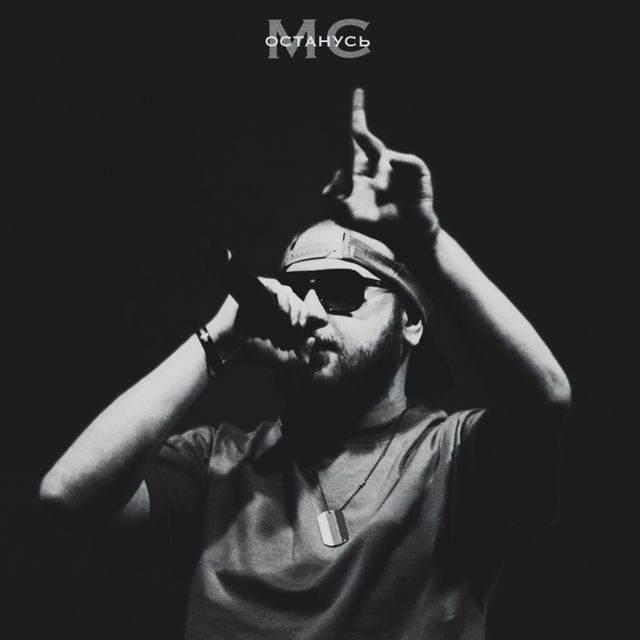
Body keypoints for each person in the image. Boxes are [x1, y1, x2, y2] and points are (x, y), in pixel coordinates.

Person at [39, 89, 571, 639]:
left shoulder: (455, 458)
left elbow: (544, 398)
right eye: (297, 290)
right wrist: (219, 341)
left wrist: (427, 242)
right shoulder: (218, 464)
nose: (312, 309)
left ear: (410, 322)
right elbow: (68, 496)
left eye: (340, 290)